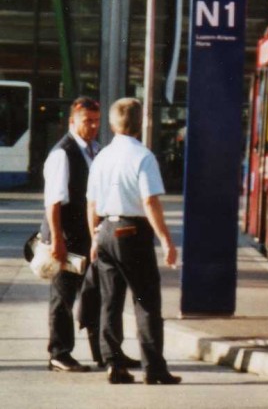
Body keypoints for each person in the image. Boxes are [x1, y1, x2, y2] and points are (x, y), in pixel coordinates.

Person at [86, 98, 181, 385]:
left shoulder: (101, 156)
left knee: (110, 301)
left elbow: (91, 202)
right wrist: (166, 239)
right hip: (132, 233)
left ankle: (113, 362)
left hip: (104, 230)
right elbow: (149, 201)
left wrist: (94, 236)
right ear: (140, 124)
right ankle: (154, 367)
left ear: (113, 123)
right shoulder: (143, 156)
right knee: (145, 300)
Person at [41, 97, 133, 372]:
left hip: (92, 236)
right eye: (86, 121)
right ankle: (59, 353)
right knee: (63, 297)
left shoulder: (97, 150)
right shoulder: (63, 153)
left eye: (96, 121)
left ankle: (107, 352)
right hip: (68, 238)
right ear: (72, 122)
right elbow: (53, 202)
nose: (92, 126)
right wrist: (57, 238)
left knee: (99, 296)